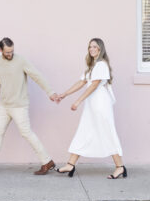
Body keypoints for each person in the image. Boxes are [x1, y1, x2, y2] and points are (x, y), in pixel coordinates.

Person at [0, 37, 60, 175]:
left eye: (12, 51)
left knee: (27, 133)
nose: (10, 54)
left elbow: (36, 75)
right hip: (4, 106)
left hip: (19, 105)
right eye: (7, 52)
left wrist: (50, 92)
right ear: (0, 50)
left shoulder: (21, 61)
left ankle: (47, 161)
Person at [53, 37, 126, 179]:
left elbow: (94, 85)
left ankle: (120, 167)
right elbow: (81, 82)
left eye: (95, 47)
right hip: (92, 105)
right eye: (90, 47)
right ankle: (70, 164)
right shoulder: (93, 66)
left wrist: (78, 101)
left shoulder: (101, 65)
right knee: (84, 131)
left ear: (100, 49)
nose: (91, 49)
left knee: (107, 133)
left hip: (100, 105)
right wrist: (65, 94)